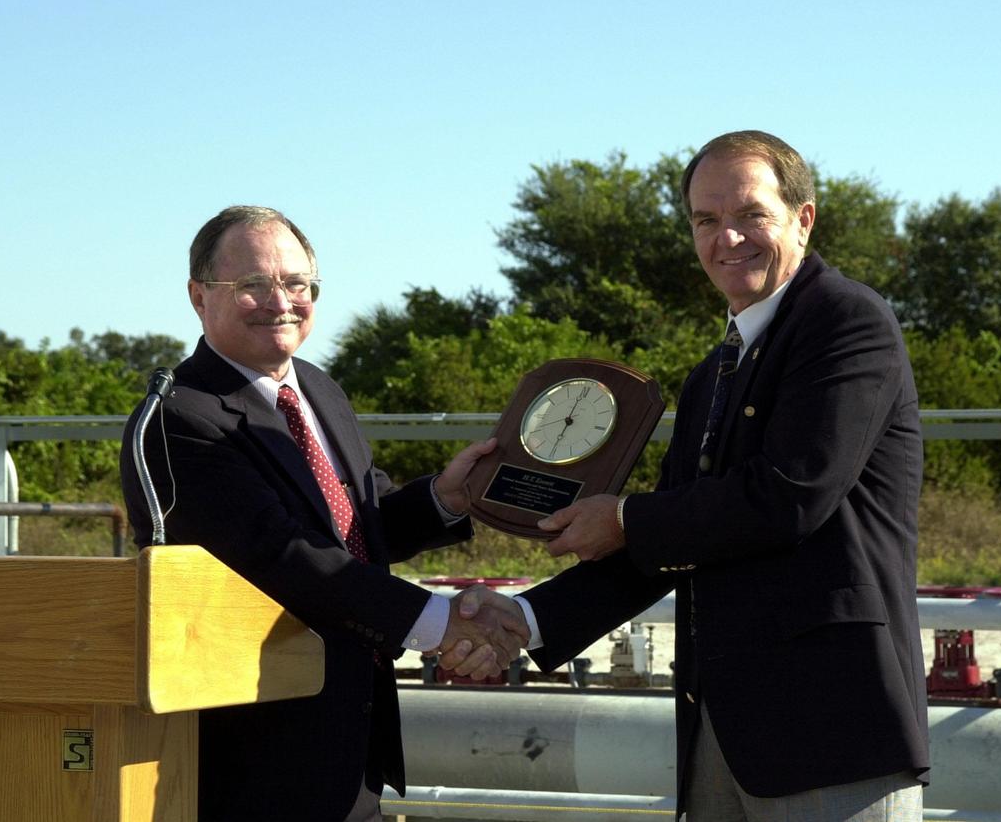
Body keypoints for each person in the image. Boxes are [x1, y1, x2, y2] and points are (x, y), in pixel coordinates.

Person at [450, 131, 929, 820]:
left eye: (751, 214)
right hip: (722, 733)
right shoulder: (711, 375)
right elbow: (670, 540)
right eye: (706, 220)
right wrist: (525, 617)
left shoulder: (846, 320)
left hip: (832, 731)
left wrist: (624, 517)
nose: (727, 238)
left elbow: (790, 495)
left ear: (803, 219)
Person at [119, 205, 527, 822]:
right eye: (253, 284)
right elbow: (281, 557)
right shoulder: (178, 416)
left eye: (296, 283)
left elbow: (355, 527)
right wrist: (438, 623)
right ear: (199, 296)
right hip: (255, 755)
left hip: (352, 741)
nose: (280, 301)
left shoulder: (317, 387)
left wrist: (445, 498)